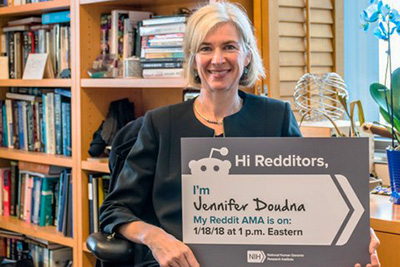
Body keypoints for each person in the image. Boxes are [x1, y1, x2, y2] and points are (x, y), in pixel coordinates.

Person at [99, 2, 380, 267]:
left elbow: (314, 196)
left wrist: (357, 233)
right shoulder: (161, 124)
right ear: (193, 59)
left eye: (229, 47)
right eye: (206, 48)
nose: (217, 59)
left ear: (247, 55)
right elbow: (115, 210)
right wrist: (156, 238)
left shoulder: (276, 116)